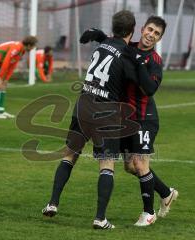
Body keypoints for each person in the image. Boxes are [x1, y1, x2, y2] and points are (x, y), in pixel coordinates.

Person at [42, 10, 143, 229]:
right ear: (132, 29)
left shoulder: (104, 43)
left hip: (84, 103)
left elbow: (85, 38)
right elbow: (138, 86)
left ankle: (52, 203)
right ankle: (100, 218)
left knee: (69, 155)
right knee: (106, 164)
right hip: (106, 109)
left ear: (113, 27)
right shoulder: (127, 54)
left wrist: (96, 34)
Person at [79, 16, 178, 227]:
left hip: (144, 119)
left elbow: (150, 89)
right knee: (130, 167)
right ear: (141, 29)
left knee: (141, 163)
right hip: (125, 118)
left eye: (157, 33)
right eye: (149, 29)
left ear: (160, 38)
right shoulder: (128, 47)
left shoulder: (155, 61)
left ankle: (148, 213)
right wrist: (96, 34)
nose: (151, 35)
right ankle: (166, 193)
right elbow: (110, 41)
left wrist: (139, 64)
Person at [0, 36, 38, 119]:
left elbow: (12, 65)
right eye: (34, 46)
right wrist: (1, 77)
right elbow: (6, 62)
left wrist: (6, 79)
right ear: (29, 45)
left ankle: (1, 111)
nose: (34, 48)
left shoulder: (21, 50)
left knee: (3, 86)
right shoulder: (17, 47)